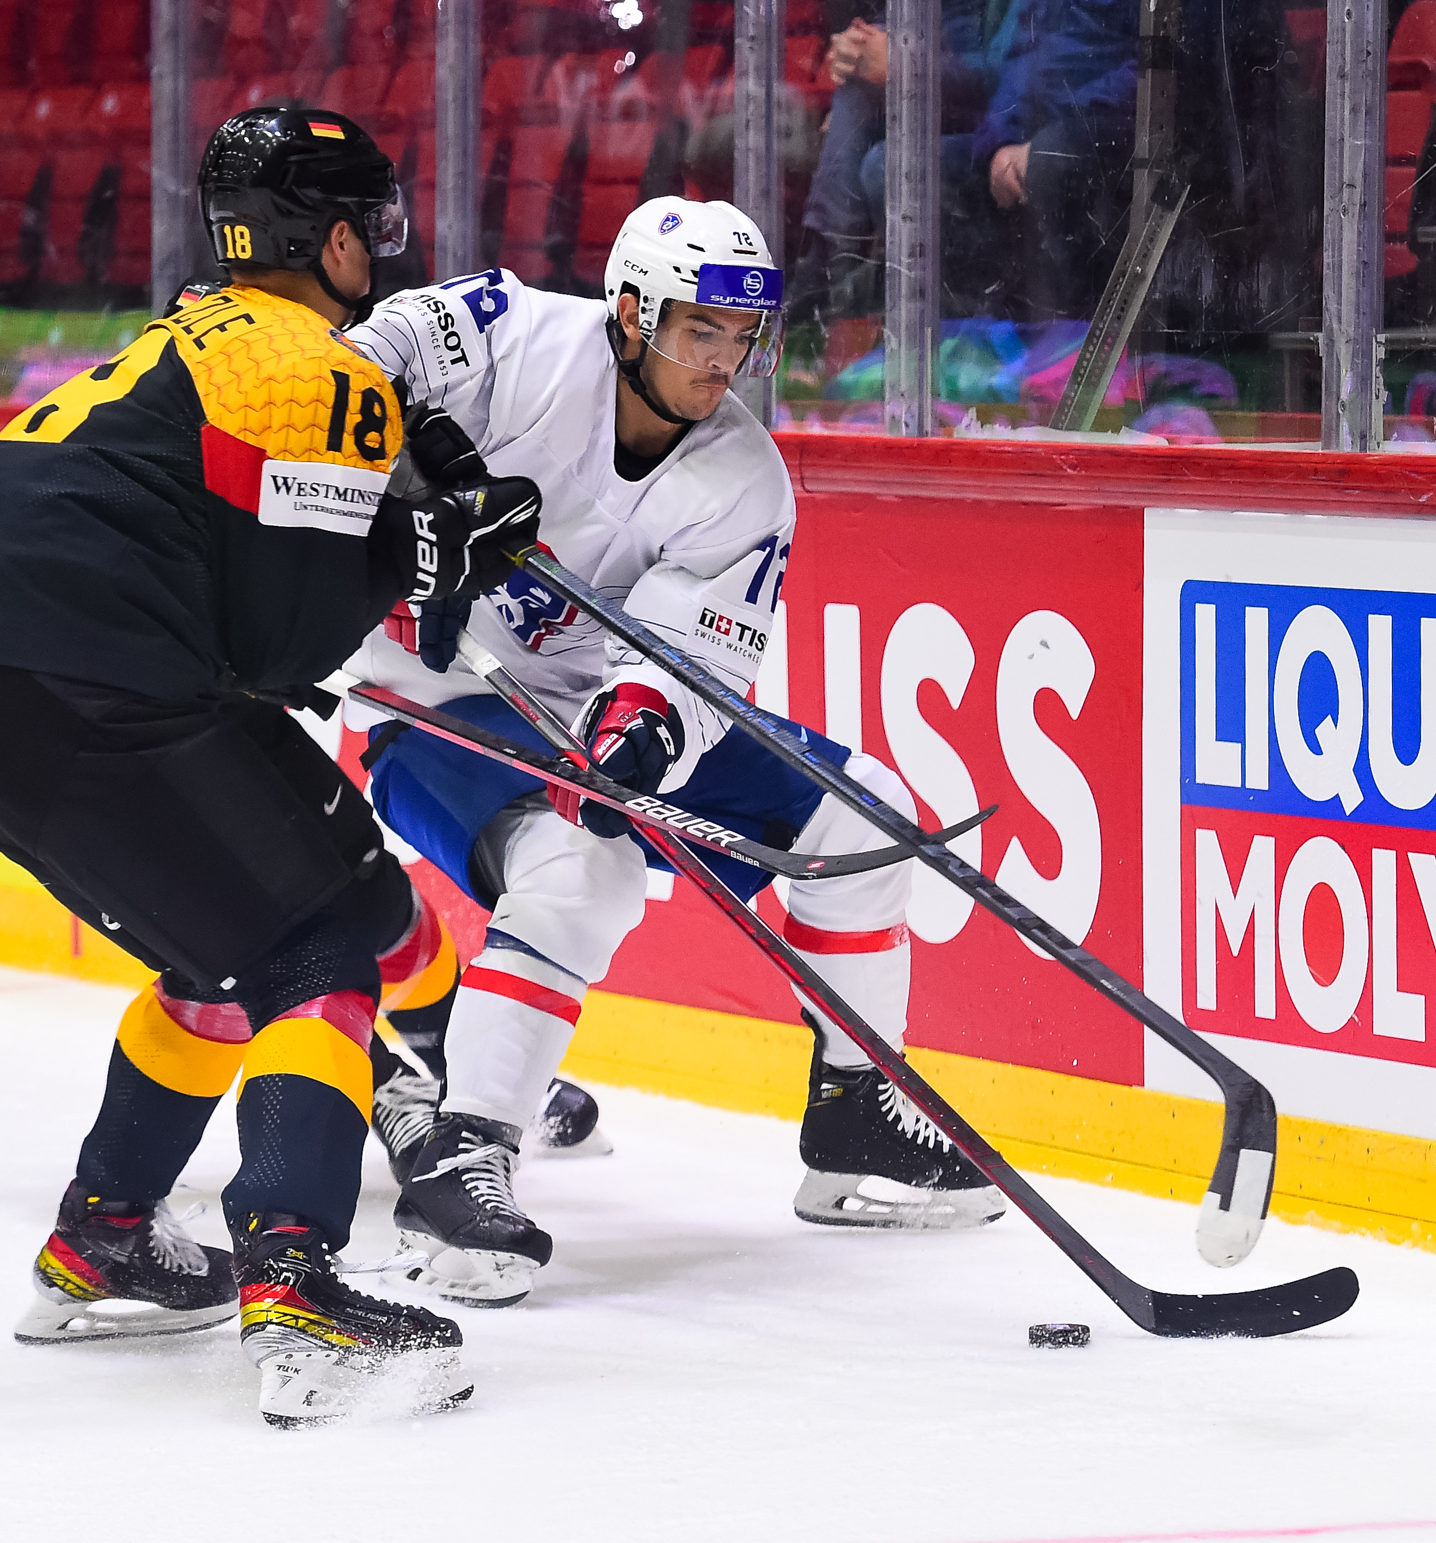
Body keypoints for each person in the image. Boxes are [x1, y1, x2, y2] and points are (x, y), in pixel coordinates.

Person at [0, 107, 542, 1426]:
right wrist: (426, 557)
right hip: (83, 678)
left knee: (241, 937)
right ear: (331, 240)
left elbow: (230, 606)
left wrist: (401, 531)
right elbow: (280, 649)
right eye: (371, 227)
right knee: (319, 947)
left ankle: (105, 1236)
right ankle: (299, 1288)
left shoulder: (191, 333)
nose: (381, 249)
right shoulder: (310, 365)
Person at [339, 196, 1007, 1310]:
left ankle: (855, 1113)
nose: (722, 360)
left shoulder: (744, 478)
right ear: (631, 313)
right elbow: (364, 355)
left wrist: (641, 732)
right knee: (580, 868)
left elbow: (690, 653)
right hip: (431, 691)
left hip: (581, 697)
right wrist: (411, 487)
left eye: (742, 336)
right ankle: (464, 1157)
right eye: (701, 330)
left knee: (869, 815)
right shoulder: (513, 336)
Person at [792, 0, 1025, 324]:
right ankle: (827, 278)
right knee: (860, 96)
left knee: (888, 164)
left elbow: (1009, 76)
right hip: (945, 109)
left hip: (1008, 130)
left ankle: (823, 273)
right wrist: (859, 49)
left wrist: (905, 64)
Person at [964, 0, 1138, 318]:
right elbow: (1020, 58)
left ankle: (1075, 328)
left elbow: (1155, 68)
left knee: (1051, 156)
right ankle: (980, 331)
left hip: (1110, 128)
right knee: (905, 170)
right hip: (1034, 131)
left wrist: (1051, 125)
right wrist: (1000, 144)